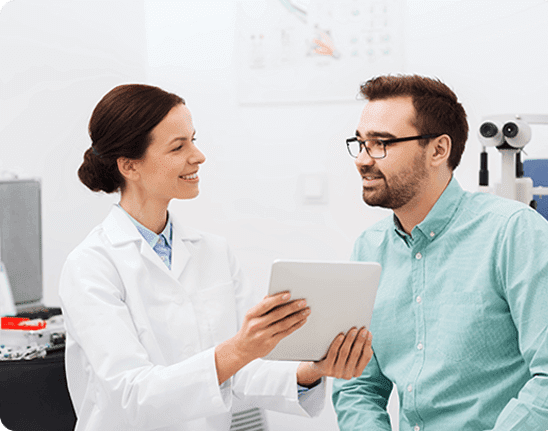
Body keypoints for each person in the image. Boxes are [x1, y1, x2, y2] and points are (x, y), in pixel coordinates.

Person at [59, 83, 373, 431]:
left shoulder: (213, 252)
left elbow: (239, 374)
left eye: (193, 139)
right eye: (178, 147)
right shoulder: (91, 266)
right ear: (129, 166)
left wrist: (313, 370)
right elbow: (132, 395)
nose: (198, 155)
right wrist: (240, 348)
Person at [332, 74, 548, 431]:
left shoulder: (513, 232)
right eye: (359, 143)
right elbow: (357, 383)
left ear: (438, 150)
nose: (362, 159)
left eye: (381, 144)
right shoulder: (368, 248)